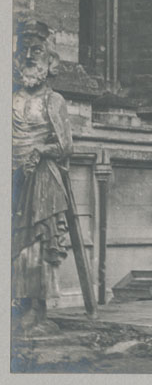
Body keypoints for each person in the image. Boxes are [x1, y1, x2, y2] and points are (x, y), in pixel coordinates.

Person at [12, 20, 73, 336]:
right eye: (25, 51)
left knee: (37, 244)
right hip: (14, 178)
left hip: (44, 182)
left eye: (37, 51)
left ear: (50, 61)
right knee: (17, 248)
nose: (29, 57)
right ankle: (19, 308)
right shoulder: (11, 99)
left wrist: (39, 149)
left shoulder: (55, 101)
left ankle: (39, 311)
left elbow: (65, 146)